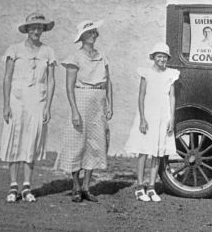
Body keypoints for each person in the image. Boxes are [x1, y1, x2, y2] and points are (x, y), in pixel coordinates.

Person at [0, 13, 56, 203]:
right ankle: (13, 186)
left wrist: (48, 106)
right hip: (17, 101)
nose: (36, 31)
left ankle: (26, 187)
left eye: (40, 27)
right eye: (33, 27)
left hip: (37, 102)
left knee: (31, 141)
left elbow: (51, 80)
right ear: (27, 29)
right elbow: (7, 78)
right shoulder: (14, 50)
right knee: (14, 139)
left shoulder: (48, 52)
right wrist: (6, 104)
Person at [55, 19, 114, 203]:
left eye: (95, 32)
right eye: (90, 32)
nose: (94, 35)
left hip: (98, 102)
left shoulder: (102, 56)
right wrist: (74, 111)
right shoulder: (74, 58)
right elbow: (69, 87)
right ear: (82, 37)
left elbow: (108, 82)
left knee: (95, 144)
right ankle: (75, 185)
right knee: (76, 143)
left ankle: (87, 187)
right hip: (81, 101)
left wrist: (110, 104)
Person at [125, 42, 179, 202]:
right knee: (143, 151)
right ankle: (140, 186)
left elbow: (172, 96)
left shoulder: (171, 74)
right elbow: (141, 96)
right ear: (153, 57)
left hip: (163, 115)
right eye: (159, 56)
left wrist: (172, 118)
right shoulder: (146, 73)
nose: (161, 59)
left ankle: (151, 186)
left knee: (157, 153)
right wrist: (142, 118)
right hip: (148, 114)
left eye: (164, 56)